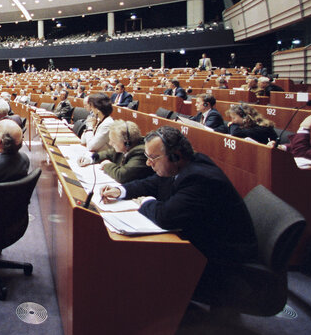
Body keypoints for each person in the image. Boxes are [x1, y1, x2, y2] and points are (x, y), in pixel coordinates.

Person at [101, 127, 259, 300]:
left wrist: (146, 202)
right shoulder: (182, 166)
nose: (148, 163)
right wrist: (120, 190)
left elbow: (165, 217)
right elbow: (152, 183)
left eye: (153, 158)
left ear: (175, 155)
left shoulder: (199, 177)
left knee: (141, 264)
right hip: (206, 244)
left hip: (224, 263)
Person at [82, 120, 153, 183]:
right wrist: (91, 159)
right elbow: (108, 154)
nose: (110, 143)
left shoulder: (141, 152)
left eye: (113, 141)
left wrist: (107, 165)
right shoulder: (125, 148)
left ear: (126, 143)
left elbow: (122, 176)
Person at [79, 93, 115, 162]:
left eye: (91, 106)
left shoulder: (107, 124)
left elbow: (91, 147)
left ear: (97, 109)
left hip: (104, 161)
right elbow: (83, 140)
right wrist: (90, 127)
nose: (91, 109)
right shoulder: (99, 120)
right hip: (95, 157)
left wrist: (89, 128)